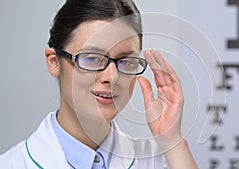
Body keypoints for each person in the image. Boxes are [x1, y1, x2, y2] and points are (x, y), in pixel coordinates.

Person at [0, 0, 199, 168]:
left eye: (126, 61)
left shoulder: (158, 161)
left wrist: (172, 141)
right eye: (93, 58)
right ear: (54, 62)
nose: (111, 77)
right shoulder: (13, 164)